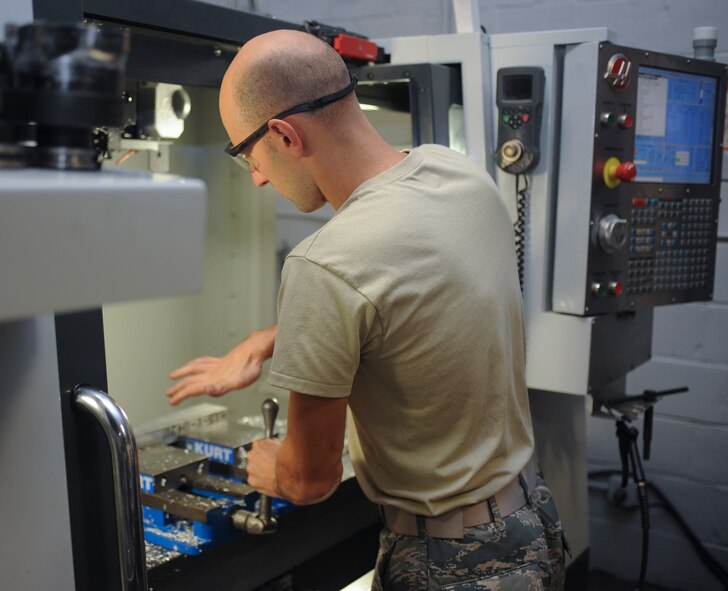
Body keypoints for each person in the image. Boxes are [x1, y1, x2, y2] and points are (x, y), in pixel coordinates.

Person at [166, 29, 567, 590]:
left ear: (284, 135)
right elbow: (413, 296)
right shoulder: (458, 175)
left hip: (449, 563)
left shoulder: (324, 265)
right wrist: (278, 336)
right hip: (533, 523)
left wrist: (269, 466)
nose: (255, 177)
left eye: (246, 155)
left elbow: (311, 480)